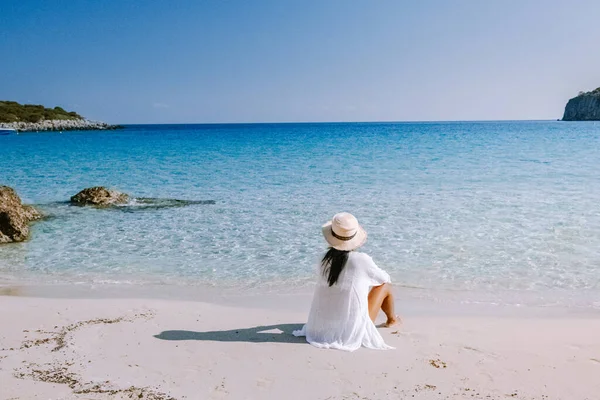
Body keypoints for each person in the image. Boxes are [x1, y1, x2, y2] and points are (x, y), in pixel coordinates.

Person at [293, 212, 400, 351]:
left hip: (319, 328)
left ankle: (391, 320)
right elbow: (385, 278)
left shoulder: (323, 259)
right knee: (385, 286)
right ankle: (392, 320)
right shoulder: (361, 260)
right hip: (350, 329)